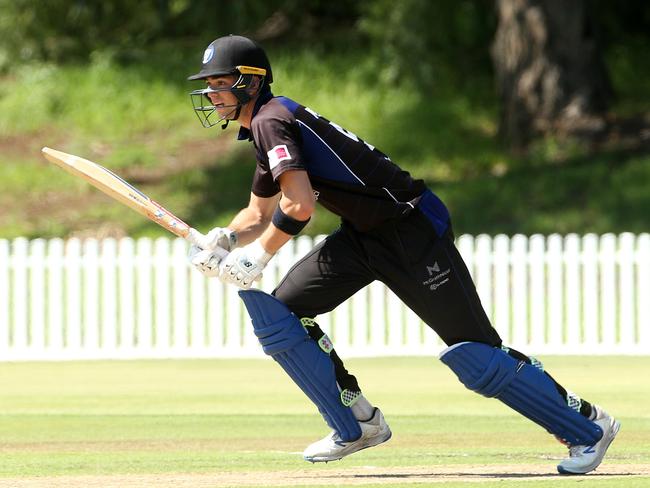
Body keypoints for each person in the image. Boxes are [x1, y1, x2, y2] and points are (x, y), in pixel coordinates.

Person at [186, 34, 619, 475]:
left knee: (475, 353)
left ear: (252, 82)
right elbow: (259, 212)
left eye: (221, 82)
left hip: (410, 230)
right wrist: (224, 239)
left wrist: (257, 256)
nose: (211, 93)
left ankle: (588, 426)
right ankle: (357, 422)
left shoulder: (271, 120)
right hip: (363, 236)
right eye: (209, 84)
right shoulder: (265, 124)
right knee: (282, 314)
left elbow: (299, 206)